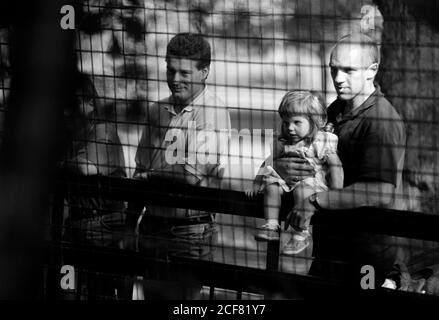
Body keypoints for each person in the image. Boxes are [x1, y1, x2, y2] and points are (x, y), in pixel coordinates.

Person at [275, 33, 407, 288]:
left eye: (348, 70)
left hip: (367, 258)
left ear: (372, 71)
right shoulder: (333, 110)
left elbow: (381, 190)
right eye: (334, 69)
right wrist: (282, 167)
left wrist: (315, 201)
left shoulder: (382, 121)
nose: (337, 78)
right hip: (330, 250)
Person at [130, 33, 231, 263]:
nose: (175, 79)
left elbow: (190, 177)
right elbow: (139, 172)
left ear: (204, 72)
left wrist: (150, 177)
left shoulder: (212, 112)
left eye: (184, 72)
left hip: (189, 231)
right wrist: (129, 227)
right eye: (170, 70)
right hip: (150, 225)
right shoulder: (156, 110)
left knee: (184, 299)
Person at [246, 90, 343, 256]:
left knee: (302, 189)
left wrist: (336, 193)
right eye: (285, 123)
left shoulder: (320, 141)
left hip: (311, 182)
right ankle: (271, 226)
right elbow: (268, 161)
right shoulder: (282, 141)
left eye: (297, 122)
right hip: (286, 181)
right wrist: (256, 182)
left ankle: (301, 234)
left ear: (314, 122)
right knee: (271, 186)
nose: (289, 128)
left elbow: (336, 166)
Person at [61, 73, 129, 299]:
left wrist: (56, 164)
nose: (64, 110)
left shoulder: (103, 131)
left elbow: (85, 168)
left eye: (72, 103)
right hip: (76, 227)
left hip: (101, 228)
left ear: (90, 103)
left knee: (99, 293)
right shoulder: (69, 136)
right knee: (66, 290)